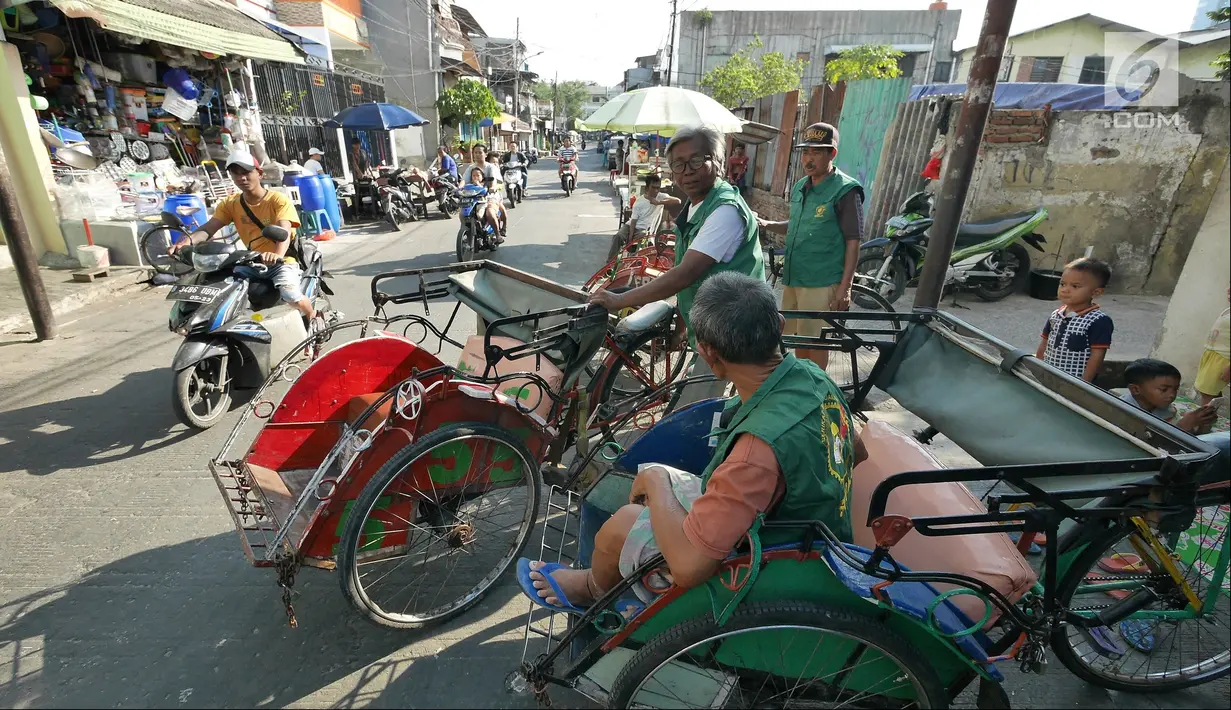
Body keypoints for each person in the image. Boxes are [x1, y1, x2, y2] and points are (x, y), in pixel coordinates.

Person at [522, 272, 867, 610]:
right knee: (663, 484)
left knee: (625, 523)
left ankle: (591, 588)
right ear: (779, 325)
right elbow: (857, 452)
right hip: (813, 536)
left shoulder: (756, 451)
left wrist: (658, 485)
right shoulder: (815, 378)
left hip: (775, 564)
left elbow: (690, 568)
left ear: (709, 353)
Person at [589, 124, 766, 405]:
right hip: (712, 329)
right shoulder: (697, 205)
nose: (687, 171)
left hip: (733, 334)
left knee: (701, 416)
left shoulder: (724, 210)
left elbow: (684, 275)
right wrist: (682, 328)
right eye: (678, 165)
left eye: (697, 161)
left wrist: (616, 300)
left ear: (717, 162)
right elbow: (693, 278)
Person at [757, 123, 863, 371]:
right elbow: (795, 225)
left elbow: (853, 241)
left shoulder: (846, 190)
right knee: (797, 339)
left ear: (832, 154)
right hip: (795, 277)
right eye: (806, 152)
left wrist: (845, 288)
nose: (808, 158)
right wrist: (768, 223)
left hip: (822, 280)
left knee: (817, 343)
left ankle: (817, 394)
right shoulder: (800, 187)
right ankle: (804, 389)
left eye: (816, 152)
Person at [168, 150, 316, 322]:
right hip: (251, 262)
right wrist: (185, 243)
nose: (241, 178)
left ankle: (313, 317)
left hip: (281, 262)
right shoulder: (230, 203)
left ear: (259, 173)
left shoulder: (277, 200)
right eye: (236, 174)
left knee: (290, 295)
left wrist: (276, 255)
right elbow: (209, 228)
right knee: (222, 289)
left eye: (246, 172)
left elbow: (284, 230)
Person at [1035, 257, 1114, 383]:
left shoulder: (1098, 321)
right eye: (1062, 284)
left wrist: (1084, 384)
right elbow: (1044, 343)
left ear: (1096, 292)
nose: (1065, 290)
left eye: (1075, 286)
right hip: (1048, 374)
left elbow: (1097, 355)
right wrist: (1037, 367)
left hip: (1074, 380)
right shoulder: (1056, 315)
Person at [1121, 358, 1218, 434]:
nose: (1172, 395)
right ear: (1136, 390)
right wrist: (1182, 427)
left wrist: (1202, 424)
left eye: (1175, 389)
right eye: (1164, 390)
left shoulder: (1167, 410)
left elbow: (1190, 439)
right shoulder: (1120, 412)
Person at [609, 173, 681, 262]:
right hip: (631, 226)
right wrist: (630, 238)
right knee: (618, 236)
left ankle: (634, 262)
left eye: (658, 188)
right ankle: (610, 263)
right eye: (653, 188)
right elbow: (633, 221)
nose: (656, 190)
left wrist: (658, 203)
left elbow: (678, 201)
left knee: (642, 238)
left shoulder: (660, 196)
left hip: (644, 230)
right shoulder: (639, 202)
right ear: (647, 188)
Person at [461, 143, 506, 241]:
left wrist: (493, 187)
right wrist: (458, 188)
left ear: (485, 154)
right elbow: (464, 180)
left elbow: (494, 180)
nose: (477, 154)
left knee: (489, 212)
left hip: (490, 195)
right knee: (462, 213)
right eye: (475, 152)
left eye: (480, 152)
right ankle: (467, 232)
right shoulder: (471, 167)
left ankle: (498, 235)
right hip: (473, 196)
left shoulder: (490, 167)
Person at [1195, 287, 1230, 406]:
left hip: (1222, 359)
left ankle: (1203, 421)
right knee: (1210, 390)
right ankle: (1210, 416)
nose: (1228, 289)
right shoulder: (1227, 310)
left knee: (1207, 392)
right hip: (1211, 355)